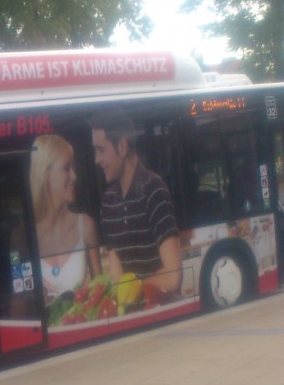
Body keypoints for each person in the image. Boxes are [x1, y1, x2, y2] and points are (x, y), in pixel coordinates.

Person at [90, 108, 182, 294]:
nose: (96, 160)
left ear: (122, 147)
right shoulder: (108, 203)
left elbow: (173, 277)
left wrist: (130, 291)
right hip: (132, 315)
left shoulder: (154, 190)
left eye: (101, 150)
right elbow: (117, 278)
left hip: (162, 313)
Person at [30, 134, 101, 299]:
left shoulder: (86, 226)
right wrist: (32, 294)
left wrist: (87, 295)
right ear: (45, 173)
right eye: (66, 168)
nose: (74, 177)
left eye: (74, 168)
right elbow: (17, 308)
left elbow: (101, 289)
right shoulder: (23, 236)